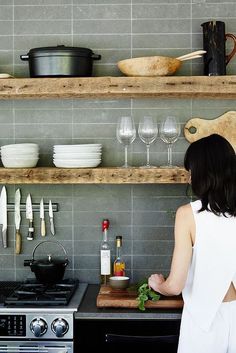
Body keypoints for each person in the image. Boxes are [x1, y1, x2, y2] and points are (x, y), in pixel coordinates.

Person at [148, 134, 236, 353]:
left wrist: (158, 284)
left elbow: (175, 285)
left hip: (204, 325)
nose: (189, 178)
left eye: (191, 172)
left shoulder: (188, 215)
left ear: (202, 174)